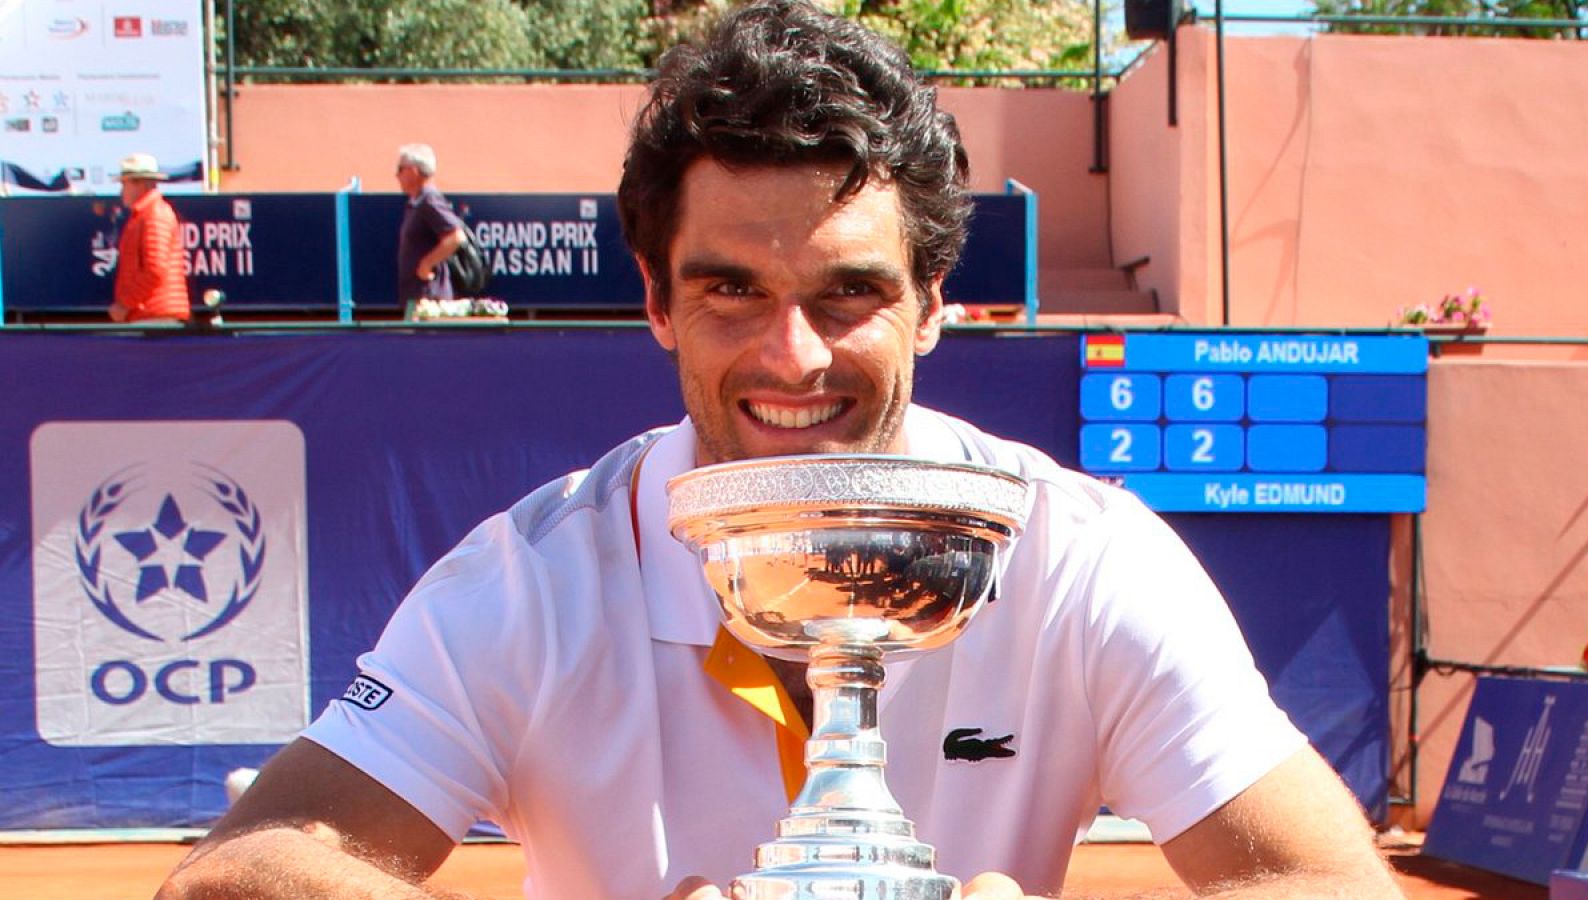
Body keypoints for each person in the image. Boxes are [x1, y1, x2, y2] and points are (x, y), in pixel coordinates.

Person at [157, 3, 1403, 898]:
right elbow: (241, 871)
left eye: (848, 294)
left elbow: (1323, 878)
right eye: (730, 291)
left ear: (932, 301)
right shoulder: (534, 578)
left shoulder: (1080, 554)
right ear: (654, 302)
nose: (792, 357)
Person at [108, 152, 189, 324]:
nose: (121, 191)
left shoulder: (154, 215)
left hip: (154, 318)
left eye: (124, 184)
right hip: (150, 315)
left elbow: (155, 270)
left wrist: (125, 304)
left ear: (140, 184)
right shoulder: (147, 214)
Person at [394, 143, 468, 315]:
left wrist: (426, 264)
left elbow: (456, 237)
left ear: (414, 171)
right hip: (416, 297)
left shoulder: (429, 199)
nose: (396, 175)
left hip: (429, 300)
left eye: (400, 169)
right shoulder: (417, 202)